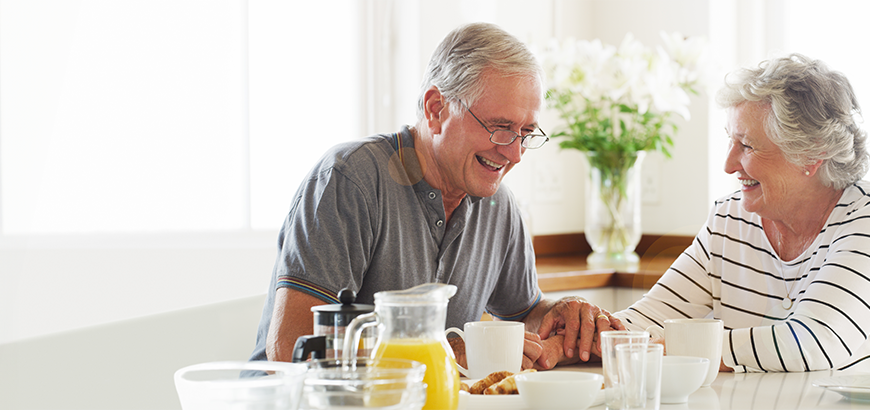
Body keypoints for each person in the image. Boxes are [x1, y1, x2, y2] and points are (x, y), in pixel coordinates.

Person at [248, 22, 613, 370]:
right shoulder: (349, 180)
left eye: (526, 132)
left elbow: (522, 314)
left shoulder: (499, 206)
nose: (515, 153)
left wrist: (560, 314)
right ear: (435, 109)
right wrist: (442, 352)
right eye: (500, 127)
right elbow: (292, 348)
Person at [611, 53, 870, 376]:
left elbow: (814, 342)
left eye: (747, 145)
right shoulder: (730, 219)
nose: (728, 164)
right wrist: (587, 328)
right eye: (731, 140)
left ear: (811, 154)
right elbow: (649, 319)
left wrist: (679, 349)